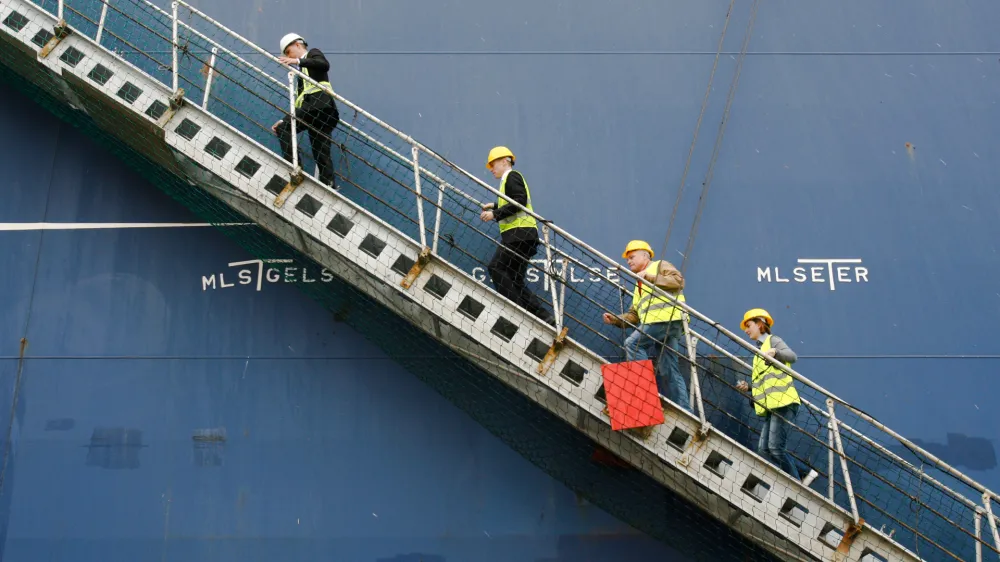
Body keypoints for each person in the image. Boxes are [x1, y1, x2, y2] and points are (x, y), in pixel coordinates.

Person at [601, 240, 690, 411]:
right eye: (627, 259)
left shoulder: (659, 266)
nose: (629, 261)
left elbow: (678, 281)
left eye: (632, 257)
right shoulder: (639, 284)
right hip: (662, 325)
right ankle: (685, 410)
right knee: (668, 368)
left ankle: (643, 395)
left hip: (665, 320)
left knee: (632, 344)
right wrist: (616, 319)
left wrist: (649, 277)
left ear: (645, 255)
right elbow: (634, 315)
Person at [736, 308, 818, 485]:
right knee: (764, 450)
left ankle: (797, 488)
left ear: (760, 324)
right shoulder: (758, 351)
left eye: (748, 325)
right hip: (770, 406)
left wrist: (775, 352)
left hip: (783, 402)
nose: (746, 330)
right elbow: (765, 381)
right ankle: (805, 473)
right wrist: (749, 387)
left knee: (775, 447)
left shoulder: (773, 341)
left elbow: (792, 356)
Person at [479, 146, 554, 325]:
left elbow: (519, 201)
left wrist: (495, 215)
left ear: (505, 161)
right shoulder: (508, 181)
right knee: (515, 279)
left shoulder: (511, 176)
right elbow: (514, 201)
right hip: (524, 236)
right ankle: (545, 317)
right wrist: (495, 206)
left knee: (496, 267)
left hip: (518, 235)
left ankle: (515, 311)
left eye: (493, 163)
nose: (491, 168)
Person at [272, 33, 341, 190]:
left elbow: (324, 65)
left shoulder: (312, 54)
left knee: (284, 129)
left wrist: (297, 60)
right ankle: (329, 186)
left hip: (318, 105)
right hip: (322, 110)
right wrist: (285, 119)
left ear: (298, 44)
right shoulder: (301, 73)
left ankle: (296, 168)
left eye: (288, 52)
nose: (288, 57)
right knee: (320, 152)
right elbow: (300, 103)